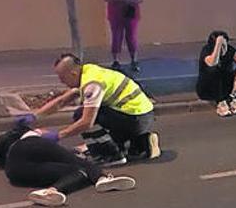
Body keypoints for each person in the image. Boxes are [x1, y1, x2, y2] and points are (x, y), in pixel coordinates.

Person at [26, 54, 160, 166]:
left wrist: (58, 135)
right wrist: (34, 116)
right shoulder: (88, 71)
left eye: (62, 78)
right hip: (140, 113)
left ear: (72, 74)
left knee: (81, 114)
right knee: (100, 118)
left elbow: (86, 122)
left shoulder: (92, 84)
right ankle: (141, 142)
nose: (61, 82)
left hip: (135, 118)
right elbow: (61, 101)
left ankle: (111, 156)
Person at [0, 122, 136, 207]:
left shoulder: (9, 147)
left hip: (14, 173)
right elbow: (66, 156)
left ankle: (48, 192)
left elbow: (57, 160)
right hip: (30, 147)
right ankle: (102, 178)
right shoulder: (33, 136)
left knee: (74, 172)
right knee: (79, 164)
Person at [196, 31, 236, 117]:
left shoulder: (229, 49)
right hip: (208, 89)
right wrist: (218, 46)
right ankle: (221, 103)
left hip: (224, 86)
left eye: (225, 45)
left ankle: (234, 100)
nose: (224, 49)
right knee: (214, 70)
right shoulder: (206, 50)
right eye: (221, 46)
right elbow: (212, 63)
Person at [103, 0, 144, 72]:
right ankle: (116, 60)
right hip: (116, 14)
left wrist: (130, 0)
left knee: (131, 37)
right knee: (116, 36)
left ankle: (134, 60)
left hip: (131, 13)